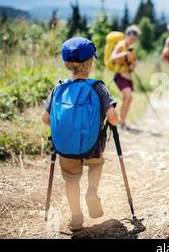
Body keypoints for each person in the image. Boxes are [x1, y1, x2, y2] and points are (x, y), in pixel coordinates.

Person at [42, 37, 120, 232]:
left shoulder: (59, 88)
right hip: (93, 143)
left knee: (71, 179)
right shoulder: (98, 87)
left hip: (65, 146)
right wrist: (112, 119)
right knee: (95, 165)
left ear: (67, 64)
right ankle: (92, 191)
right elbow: (114, 117)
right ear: (91, 62)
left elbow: (45, 118)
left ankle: (76, 218)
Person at [110, 25, 139, 131]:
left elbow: (133, 62)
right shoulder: (120, 45)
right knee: (128, 96)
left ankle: (122, 122)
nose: (133, 38)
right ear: (127, 35)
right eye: (131, 36)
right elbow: (112, 57)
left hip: (128, 76)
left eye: (135, 37)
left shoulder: (131, 48)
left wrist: (134, 64)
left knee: (127, 98)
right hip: (120, 76)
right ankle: (120, 122)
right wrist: (124, 54)